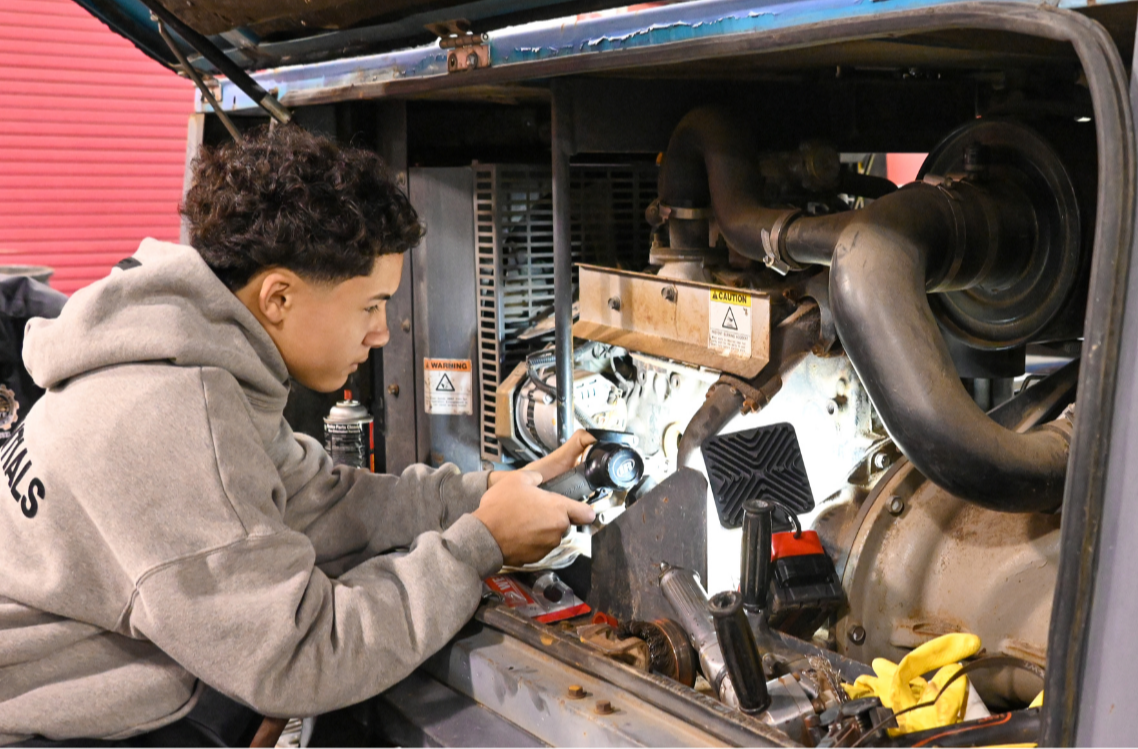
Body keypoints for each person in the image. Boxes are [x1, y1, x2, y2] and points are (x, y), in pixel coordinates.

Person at [0, 126, 596, 747]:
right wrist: (479, 545)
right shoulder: (171, 420)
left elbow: (317, 501)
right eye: (370, 305)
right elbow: (306, 655)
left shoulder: (192, 353)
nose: (382, 333)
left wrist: (484, 494)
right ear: (279, 296)